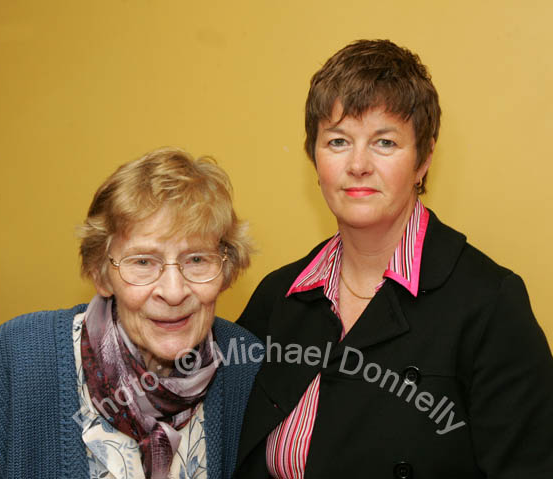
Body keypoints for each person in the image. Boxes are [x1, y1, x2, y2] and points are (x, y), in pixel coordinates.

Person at [234, 40, 553, 478]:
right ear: (314, 156)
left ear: (423, 159)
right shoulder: (278, 297)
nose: (358, 164)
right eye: (338, 141)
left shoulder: (490, 304)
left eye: (384, 142)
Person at [0, 147, 262, 479]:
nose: (173, 292)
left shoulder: (243, 366)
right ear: (101, 273)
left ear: (226, 268)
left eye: (197, 260)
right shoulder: (16, 360)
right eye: (143, 262)